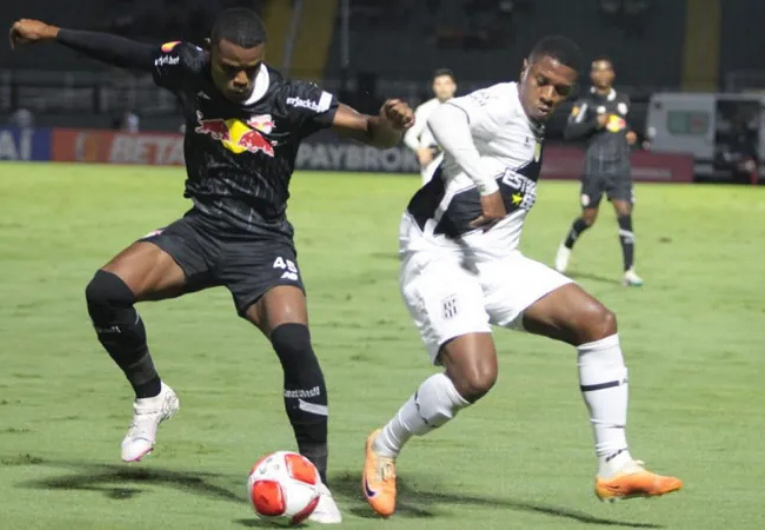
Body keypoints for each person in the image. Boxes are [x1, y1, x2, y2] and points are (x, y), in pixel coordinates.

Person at [11, 9, 413, 524]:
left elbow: (367, 130)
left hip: (262, 242)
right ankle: (152, 397)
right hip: (200, 230)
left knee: (294, 344)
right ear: (211, 52)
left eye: (250, 67)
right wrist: (52, 32)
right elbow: (125, 51)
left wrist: (389, 126)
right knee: (105, 292)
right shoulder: (188, 66)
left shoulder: (292, 99)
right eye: (229, 68)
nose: (239, 78)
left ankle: (315, 483)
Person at [361, 37, 681, 518]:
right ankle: (383, 446)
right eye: (542, 81)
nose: (548, 94)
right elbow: (444, 119)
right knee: (475, 376)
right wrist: (487, 185)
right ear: (524, 70)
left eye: (560, 89)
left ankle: (614, 463)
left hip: (495, 259)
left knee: (598, 322)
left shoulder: (536, 122)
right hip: (441, 253)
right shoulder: (501, 104)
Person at [554, 56, 642, 286]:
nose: (602, 75)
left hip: (620, 167)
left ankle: (629, 271)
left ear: (612, 74)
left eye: (606, 71)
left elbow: (624, 125)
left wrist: (630, 135)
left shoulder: (623, 100)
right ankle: (566, 246)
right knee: (589, 218)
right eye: (597, 71)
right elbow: (569, 132)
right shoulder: (585, 102)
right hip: (595, 168)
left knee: (624, 212)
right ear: (592, 75)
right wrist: (595, 123)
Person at [403, 68, 457, 185]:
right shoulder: (425, 109)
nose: (443, 88)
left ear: (454, 86)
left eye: (447, 83)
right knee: (432, 201)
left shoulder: (464, 108)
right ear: (433, 87)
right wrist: (420, 150)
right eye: (439, 84)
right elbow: (409, 136)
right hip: (433, 162)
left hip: (457, 162)